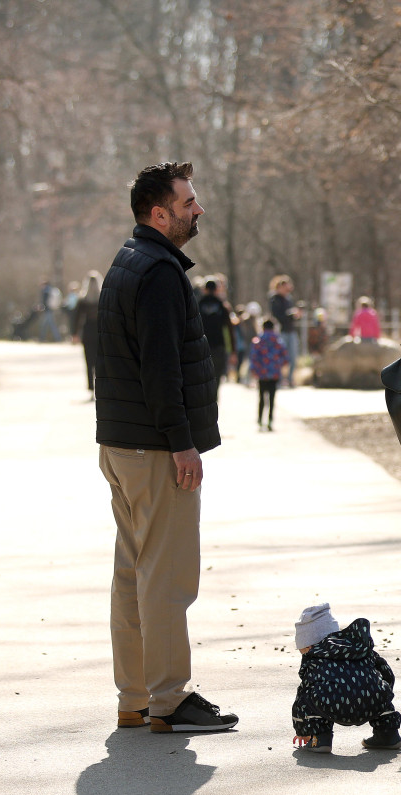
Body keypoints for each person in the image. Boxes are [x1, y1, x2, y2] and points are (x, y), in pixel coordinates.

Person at [95, 161, 238, 734]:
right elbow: (161, 370)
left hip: (123, 446)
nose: (198, 209)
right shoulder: (157, 272)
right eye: (188, 203)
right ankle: (169, 701)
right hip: (154, 450)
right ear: (160, 213)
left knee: (133, 574)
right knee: (167, 577)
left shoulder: (129, 261)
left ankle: (135, 696)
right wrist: (183, 445)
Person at [291, 603, 401, 753]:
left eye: (301, 650)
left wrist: (302, 729)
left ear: (309, 647)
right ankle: (388, 734)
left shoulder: (313, 659)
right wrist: (386, 694)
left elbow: (302, 695)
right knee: (377, 687)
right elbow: (386, 672)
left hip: (333, 704)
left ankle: (320, 738)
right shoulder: (359, 648)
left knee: (311, 693)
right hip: (372, 702)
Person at [249, 318, 288, 431]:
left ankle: (260, 420)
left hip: (262, 374)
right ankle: (270, 421)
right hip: (274, 373)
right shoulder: (278, 340)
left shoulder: (258, 340)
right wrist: (280, 365)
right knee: (272, 398)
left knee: (261, 397)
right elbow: (285, 357)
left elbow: (254, 357)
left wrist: (254, 370)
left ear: (263, 327)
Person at [197, 278, 233, 400]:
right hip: (218, 345)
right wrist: (233, 350)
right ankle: (214, 398)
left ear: (205, 289)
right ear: (216, 290)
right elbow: (229, 328)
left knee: (203, 376)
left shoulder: (198, 304)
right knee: (217, 375)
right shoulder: (222, 305)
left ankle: (205, 399)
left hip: (202, 345)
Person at [71, 271, 101, 396]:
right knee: (100, 360)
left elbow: (76, 318)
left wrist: (75, 334)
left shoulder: (82, 300)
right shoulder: (103, 297)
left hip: (87, 332)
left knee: (88, 361)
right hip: (100, 332)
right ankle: (100, 384)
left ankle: (90, 386)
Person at [268, 275, 300, 387]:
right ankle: (279, 379)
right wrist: (291, 315)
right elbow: (278, 316)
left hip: (291, 330)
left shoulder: (289, 299)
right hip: (281, 331)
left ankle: (290, 379)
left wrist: (296, 315)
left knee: (293, 356)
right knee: (279, 357)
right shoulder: (275, 299)